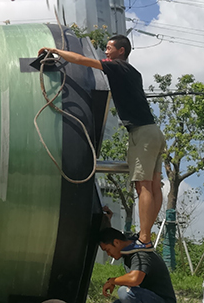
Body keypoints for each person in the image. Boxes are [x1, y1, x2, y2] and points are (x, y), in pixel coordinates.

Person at [38, 35, 165, 253]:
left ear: (121, 51)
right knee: (154, 186)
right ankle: (146, 235)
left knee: (142, 185)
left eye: (109, 48)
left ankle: (144, 239)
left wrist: (55, 51)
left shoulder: (116, 66)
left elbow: (81, 60)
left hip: (141, 133)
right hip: (153, 132)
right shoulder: (133, 72)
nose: (105, 52)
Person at [99, 227, 176, 303]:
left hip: (162, 300)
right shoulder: (128, 252)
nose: (108, 254)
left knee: (125, 292)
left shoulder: (140, 253)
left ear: (116, 242)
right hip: (148, 297)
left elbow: (134, 279)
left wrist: (112, 281)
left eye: (108, 250)